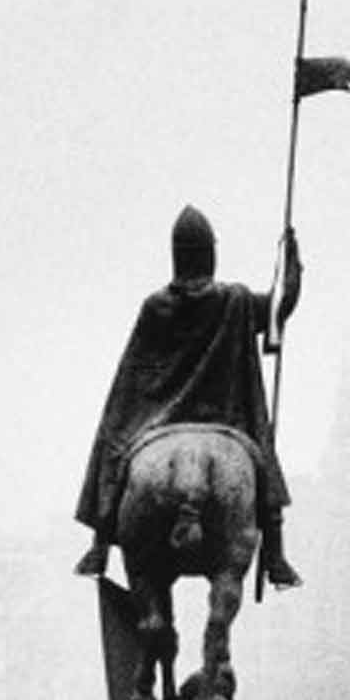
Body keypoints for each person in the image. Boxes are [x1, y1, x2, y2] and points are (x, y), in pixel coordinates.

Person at [75, 204, 303, 589]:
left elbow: (131, 380)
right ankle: (276, 554)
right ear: (210, 253)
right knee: (262, 462)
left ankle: (100, 541)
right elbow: (283, 305)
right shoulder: (236, 300)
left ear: (176, 254)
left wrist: (130, 415)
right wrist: (292, 263)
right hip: (226, 421)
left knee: (113, 431)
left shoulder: (156, 306)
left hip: (158, 421)